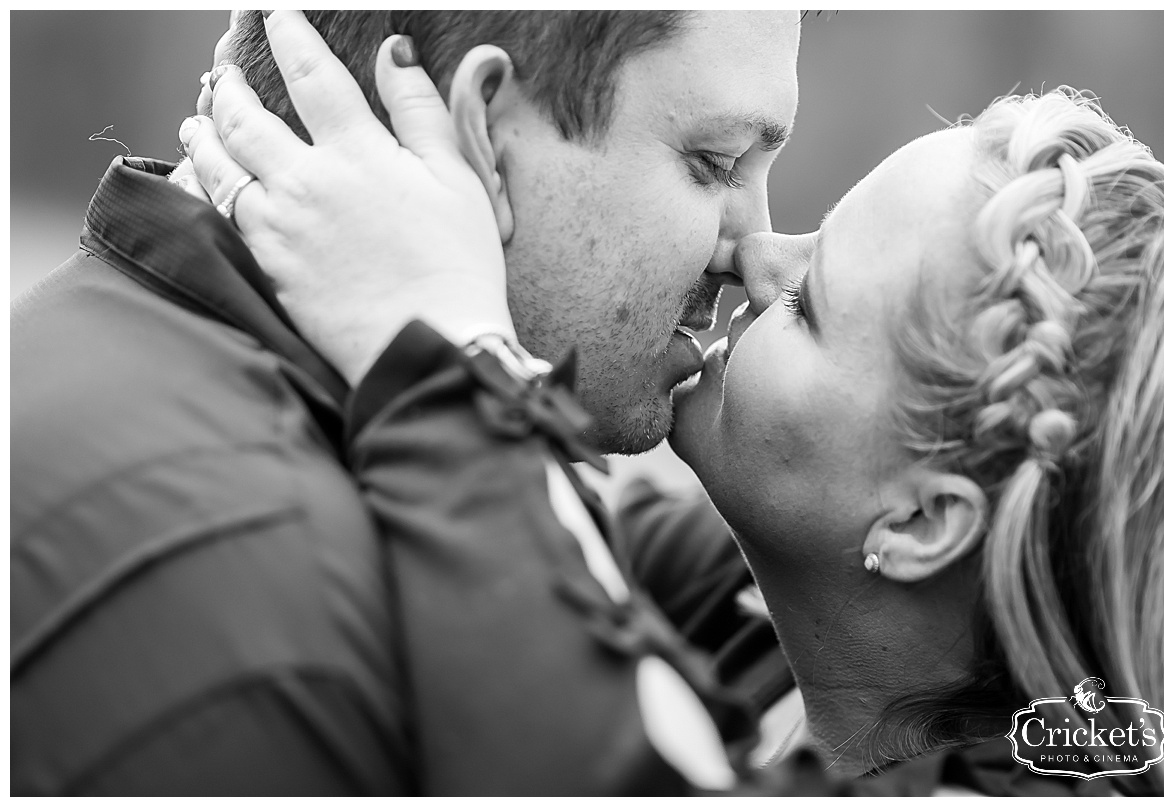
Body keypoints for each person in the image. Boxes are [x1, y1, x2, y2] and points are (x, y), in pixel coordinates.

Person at [186, 18, 1164, 794]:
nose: (759, 258)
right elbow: (553, 547)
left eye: (810, 304)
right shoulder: (755, 626)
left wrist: (444, 344)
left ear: (924, 522)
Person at [10, 10, 800, 795]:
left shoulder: (114, 346)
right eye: (716, 161)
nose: (757, 249)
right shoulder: (280, 637)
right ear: (484, 132)